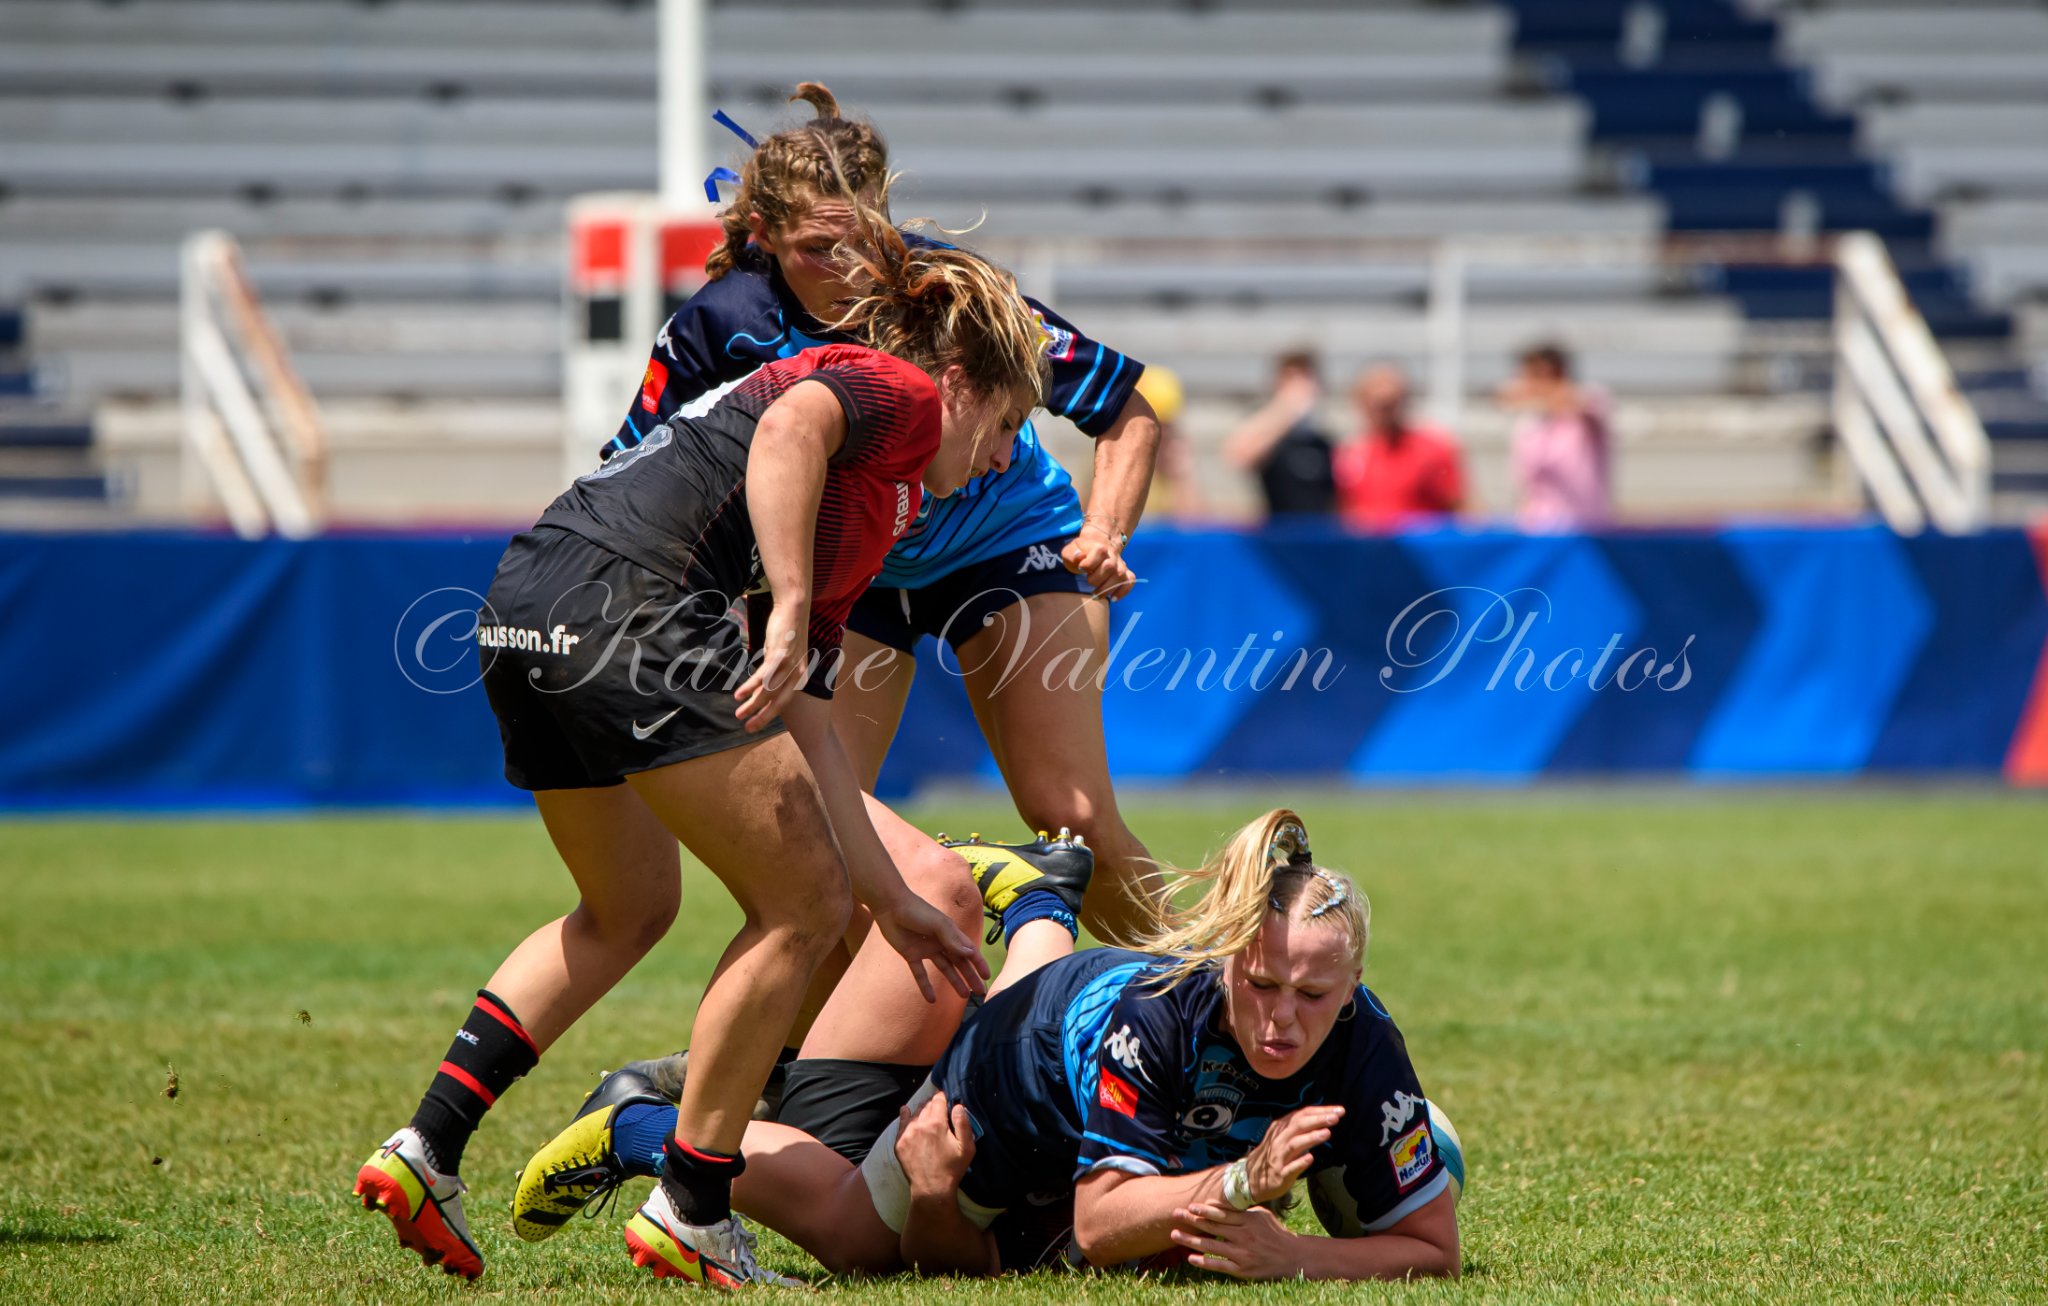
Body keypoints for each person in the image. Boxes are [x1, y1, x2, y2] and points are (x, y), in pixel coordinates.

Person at [351, 199, 1047, 1285]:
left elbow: (808, 718)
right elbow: (788, 430)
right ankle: (691, 1203)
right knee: (799, 907)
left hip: (525, 596)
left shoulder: (871, 505)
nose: (1005, 456)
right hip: (630, 601)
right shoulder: (901, 390)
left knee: (632, 907)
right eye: (1005, 425)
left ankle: (427, 1145)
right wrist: (782, 606)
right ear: (961, 381)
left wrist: (891, 898)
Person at [611, 85, 1163, 949]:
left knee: (1072, 814)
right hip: (850, 570)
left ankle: (1212, 1006)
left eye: (861, 239)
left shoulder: (954, 292)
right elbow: (631, 465)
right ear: (762, 237)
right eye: (814, 249)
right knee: (826, 843)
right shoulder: (722, 323)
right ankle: (820, 1075)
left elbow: (1126, 405)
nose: (849, 267)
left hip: (1006, 539)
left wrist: (1104, 532)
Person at [516, 810, 1462, 1283]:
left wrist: (1294, 1253)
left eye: (1314, 994)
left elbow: (1431, 1246)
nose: (1283, 1018)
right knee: (860, 1236)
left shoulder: (1364, 1040)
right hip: (1022, 1054)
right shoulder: (1162, 1023)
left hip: (1066, 1012)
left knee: (1012, 1237)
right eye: (1260, 985)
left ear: (1352, 989)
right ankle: (638, 1125)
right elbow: (1100, 1224)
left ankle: (1041, 900)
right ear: (1224, 968)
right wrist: (1240, 1188)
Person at [1332, 364, 1465, 531]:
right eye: (1376, 403)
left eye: (1389, 404)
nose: (1382, 411)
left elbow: (1461, 509)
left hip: (1419, 553)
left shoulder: (1432, 449)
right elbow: (1339, 511)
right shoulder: (1346, 454)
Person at [1501, 341, 1611, 531]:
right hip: (1538, 530)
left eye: (1540, 376)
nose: (1533, 384)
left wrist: (1539, 394)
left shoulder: (1588, 407)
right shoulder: (1528, 424)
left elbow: (1580, 402)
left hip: (1586, 531)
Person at [1221, 350, 1336, 519]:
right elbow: (1237, 457)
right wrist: (1286, 412)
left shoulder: (1323, 442)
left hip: (1317, 538)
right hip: (1279, 537)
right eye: (1290, 379)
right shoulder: (1269, 434)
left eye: (1305, 377)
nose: (1299, 387)